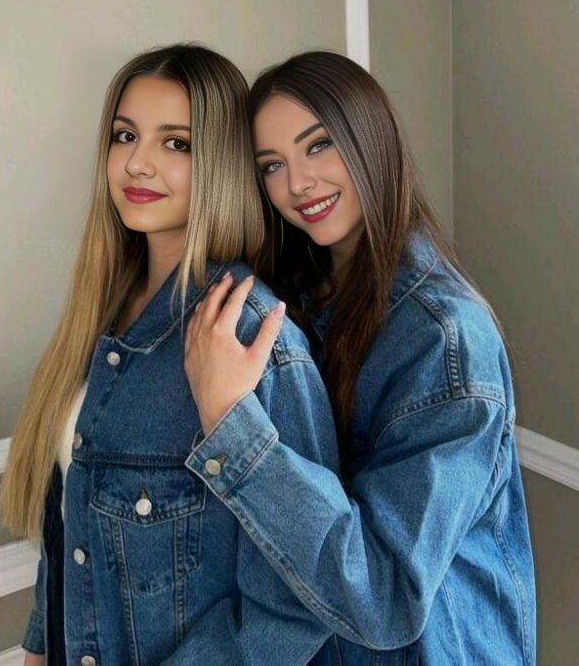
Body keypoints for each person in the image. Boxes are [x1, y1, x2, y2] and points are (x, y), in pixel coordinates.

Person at [183, 51, 537, 665]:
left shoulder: (445, 339)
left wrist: (229, 422)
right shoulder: (297, 301)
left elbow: (386, 594)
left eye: (318, 146)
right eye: (272, 165)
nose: (298, 183)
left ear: (372, 138)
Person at [0, 44, 341, 665]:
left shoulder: (254, 334)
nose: (138, 163)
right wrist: (39, 646)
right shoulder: (101, 314)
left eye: (176, 143)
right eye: (125, 135)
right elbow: (74, 518)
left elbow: (298, 599)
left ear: (221, 163)